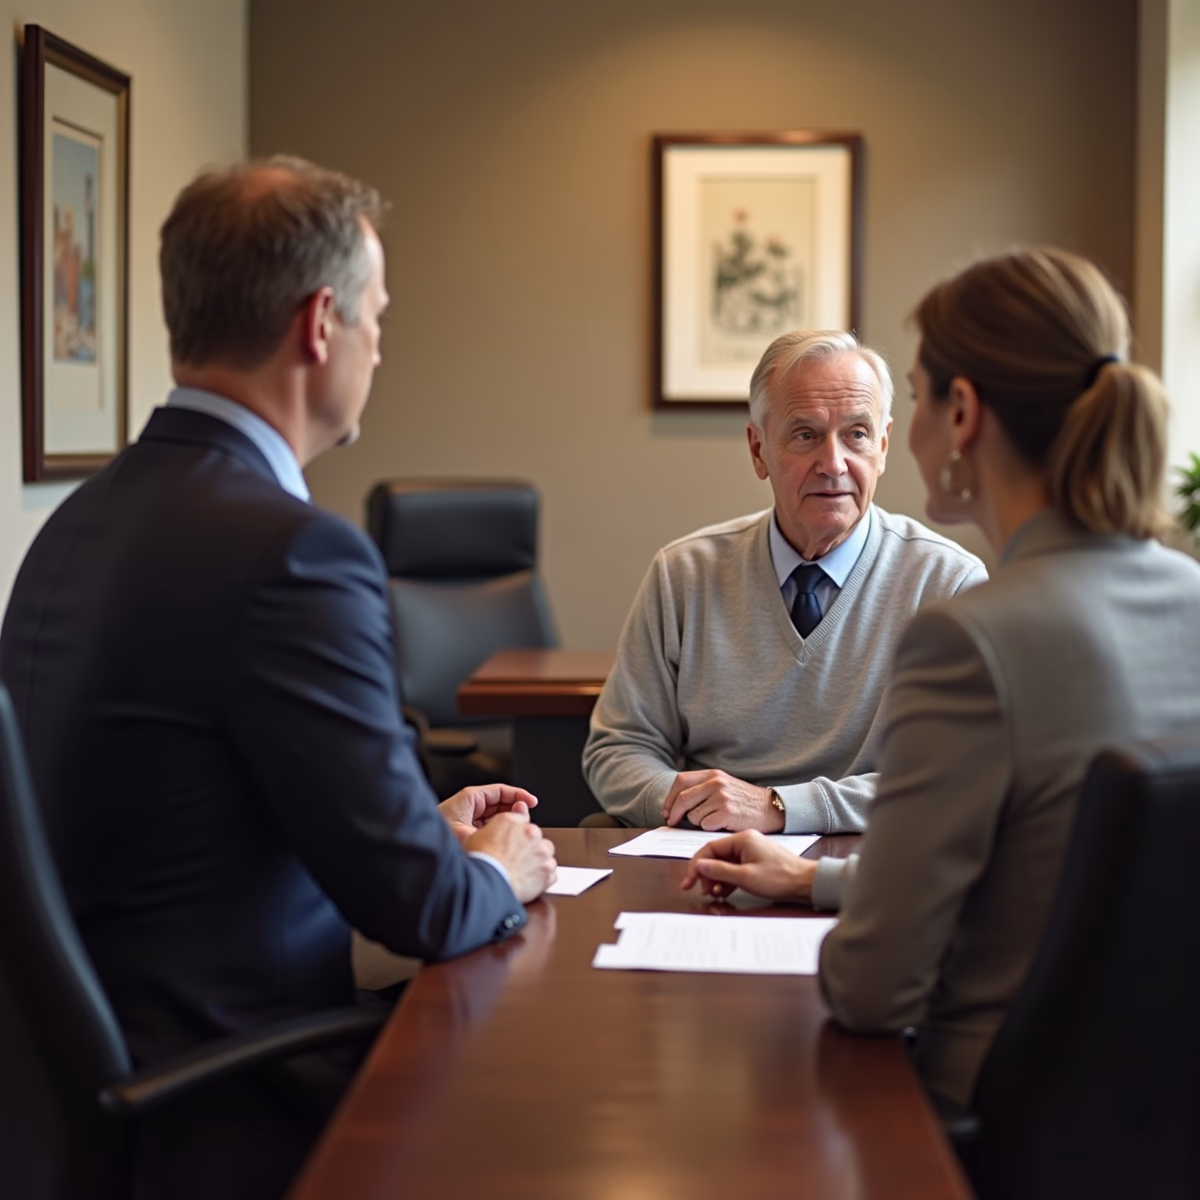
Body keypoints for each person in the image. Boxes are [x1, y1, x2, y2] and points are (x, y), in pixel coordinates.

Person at [0, 157, 556, 1198]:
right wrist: (497, 868)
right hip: (234, 1096)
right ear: (318, 324)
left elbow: (179, 822)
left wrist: (411, 826)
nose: (380, 345)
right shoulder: (294, 551)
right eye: (376, 316)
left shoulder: (76, 525)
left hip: (87, 1088)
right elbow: (425, 914)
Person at [681, 247, 1200, 1107]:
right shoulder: (1190, 596)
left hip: (997, 1103)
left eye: (911, 398)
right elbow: (1059, 871)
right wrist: (817, 878)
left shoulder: (970, 637)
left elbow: (873, 990)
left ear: (960, 413)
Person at [583, 331, 987, 832]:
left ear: (882, 448)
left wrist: (778, 808)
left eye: (857, 434)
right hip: (700, 857)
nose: (834, 464)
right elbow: (619, 747)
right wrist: (699, 807)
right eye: (805, 434)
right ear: (758, 450)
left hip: (864, 863)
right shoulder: (683, 574)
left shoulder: (948, 583)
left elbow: (955, 774)